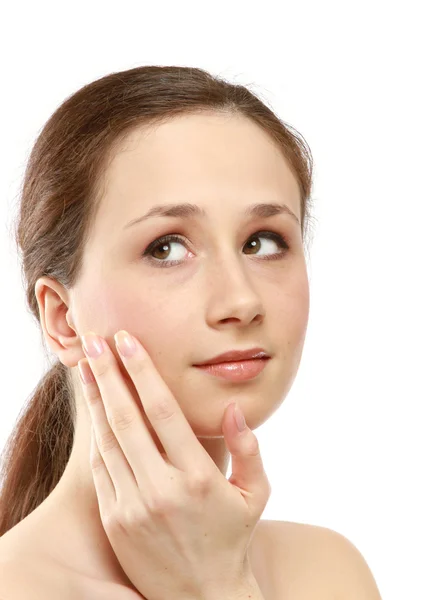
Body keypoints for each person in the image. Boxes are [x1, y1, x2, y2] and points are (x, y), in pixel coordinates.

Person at [1, 64, 348, 598]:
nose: (241, 301)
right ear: (63, 318)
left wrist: (217, 585)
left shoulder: (326, 572)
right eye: (166, 248)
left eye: (263, 241)